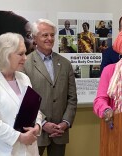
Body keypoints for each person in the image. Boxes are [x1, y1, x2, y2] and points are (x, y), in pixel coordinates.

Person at [0, 32, 42, 156]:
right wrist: (20, 137)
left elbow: (34, 109)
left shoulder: (24, 79)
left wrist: (37, 126)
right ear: (6, 55)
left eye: (25, 53)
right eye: (20, 54)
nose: (25, 58)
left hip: (28, 150)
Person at [22, 19, 77, 156]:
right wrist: (43, 123)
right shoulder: (25, 63)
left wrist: (65, 122)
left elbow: (72, 98)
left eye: (52, 35)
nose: (50, 38)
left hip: (60, 131)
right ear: (35, 38)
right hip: (35, 130)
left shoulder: (65, 63)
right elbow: (23, 99)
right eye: (45, 35)